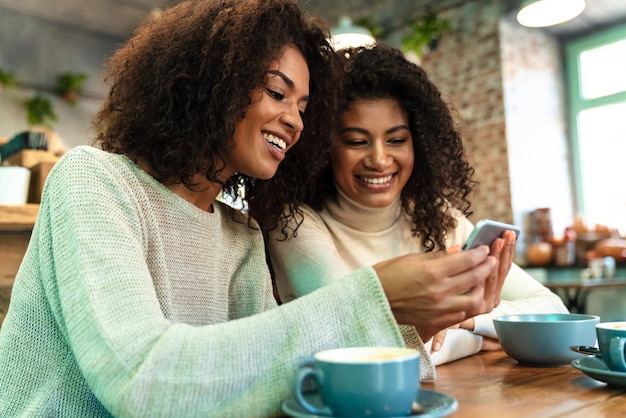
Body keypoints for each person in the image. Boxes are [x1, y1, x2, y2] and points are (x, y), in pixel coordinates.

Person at [0, 1, 503, 416]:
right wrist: (377, 300)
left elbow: (278, 378)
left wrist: (421, 323)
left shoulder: (238, 233)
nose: (294, 121)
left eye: (304, 109)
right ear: (208, 82)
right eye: (277, 92)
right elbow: (142, 383)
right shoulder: (94, 180)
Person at [267, 43, 568, 371]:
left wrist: (467, 321)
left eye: (396, 140)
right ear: (324, 148)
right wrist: (479, 336)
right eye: (356, 141)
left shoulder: (437, 217)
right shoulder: (294, 223)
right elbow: (362, 343)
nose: (380, 160)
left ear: (418, 142)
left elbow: (551, 309)